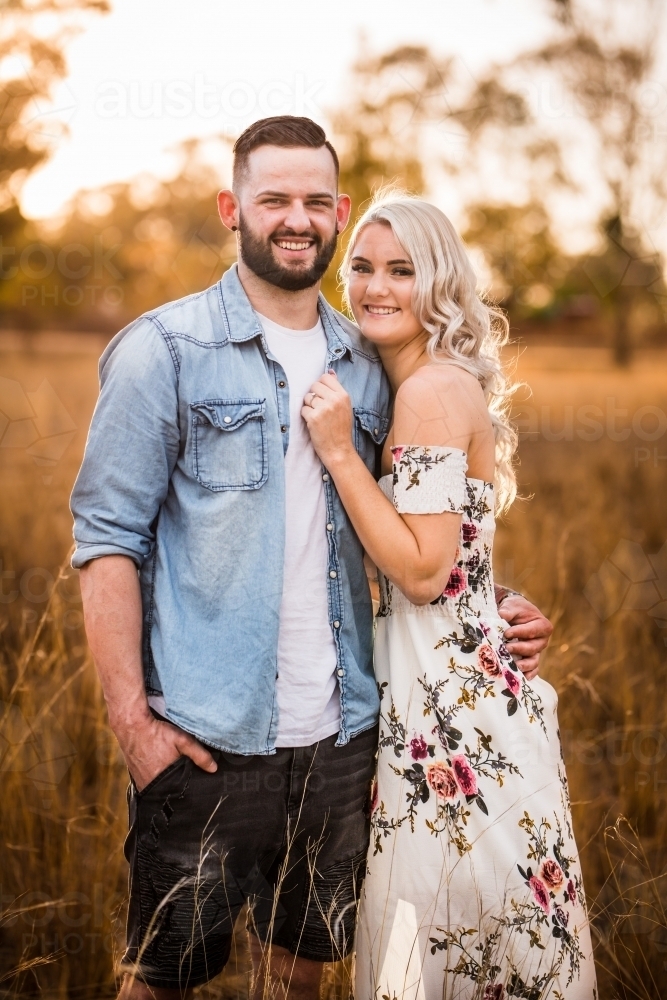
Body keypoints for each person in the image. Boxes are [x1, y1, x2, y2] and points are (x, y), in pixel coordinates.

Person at [71, 116, 553, 999]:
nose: (295, 218)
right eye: (273, 199)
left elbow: (416, 533)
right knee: (160, 978)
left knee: (296, 976)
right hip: (207, 736)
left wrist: (490, 607)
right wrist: (135, 729)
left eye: (313, 201)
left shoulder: (371, 366)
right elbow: (107, 543)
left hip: (346, 738)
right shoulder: (164, 351)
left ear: (335, 213)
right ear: (233, 208)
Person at [302, 193, 597, 999]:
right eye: (360, 267)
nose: (375, 286)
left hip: (453, 717)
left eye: (402, 269)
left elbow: (425, 572)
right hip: (440, 688)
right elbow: (456, 560)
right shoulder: (416, 385)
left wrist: (337, 454)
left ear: (439, 282)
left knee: (444, 932)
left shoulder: (430, 390)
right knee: (455, 934)